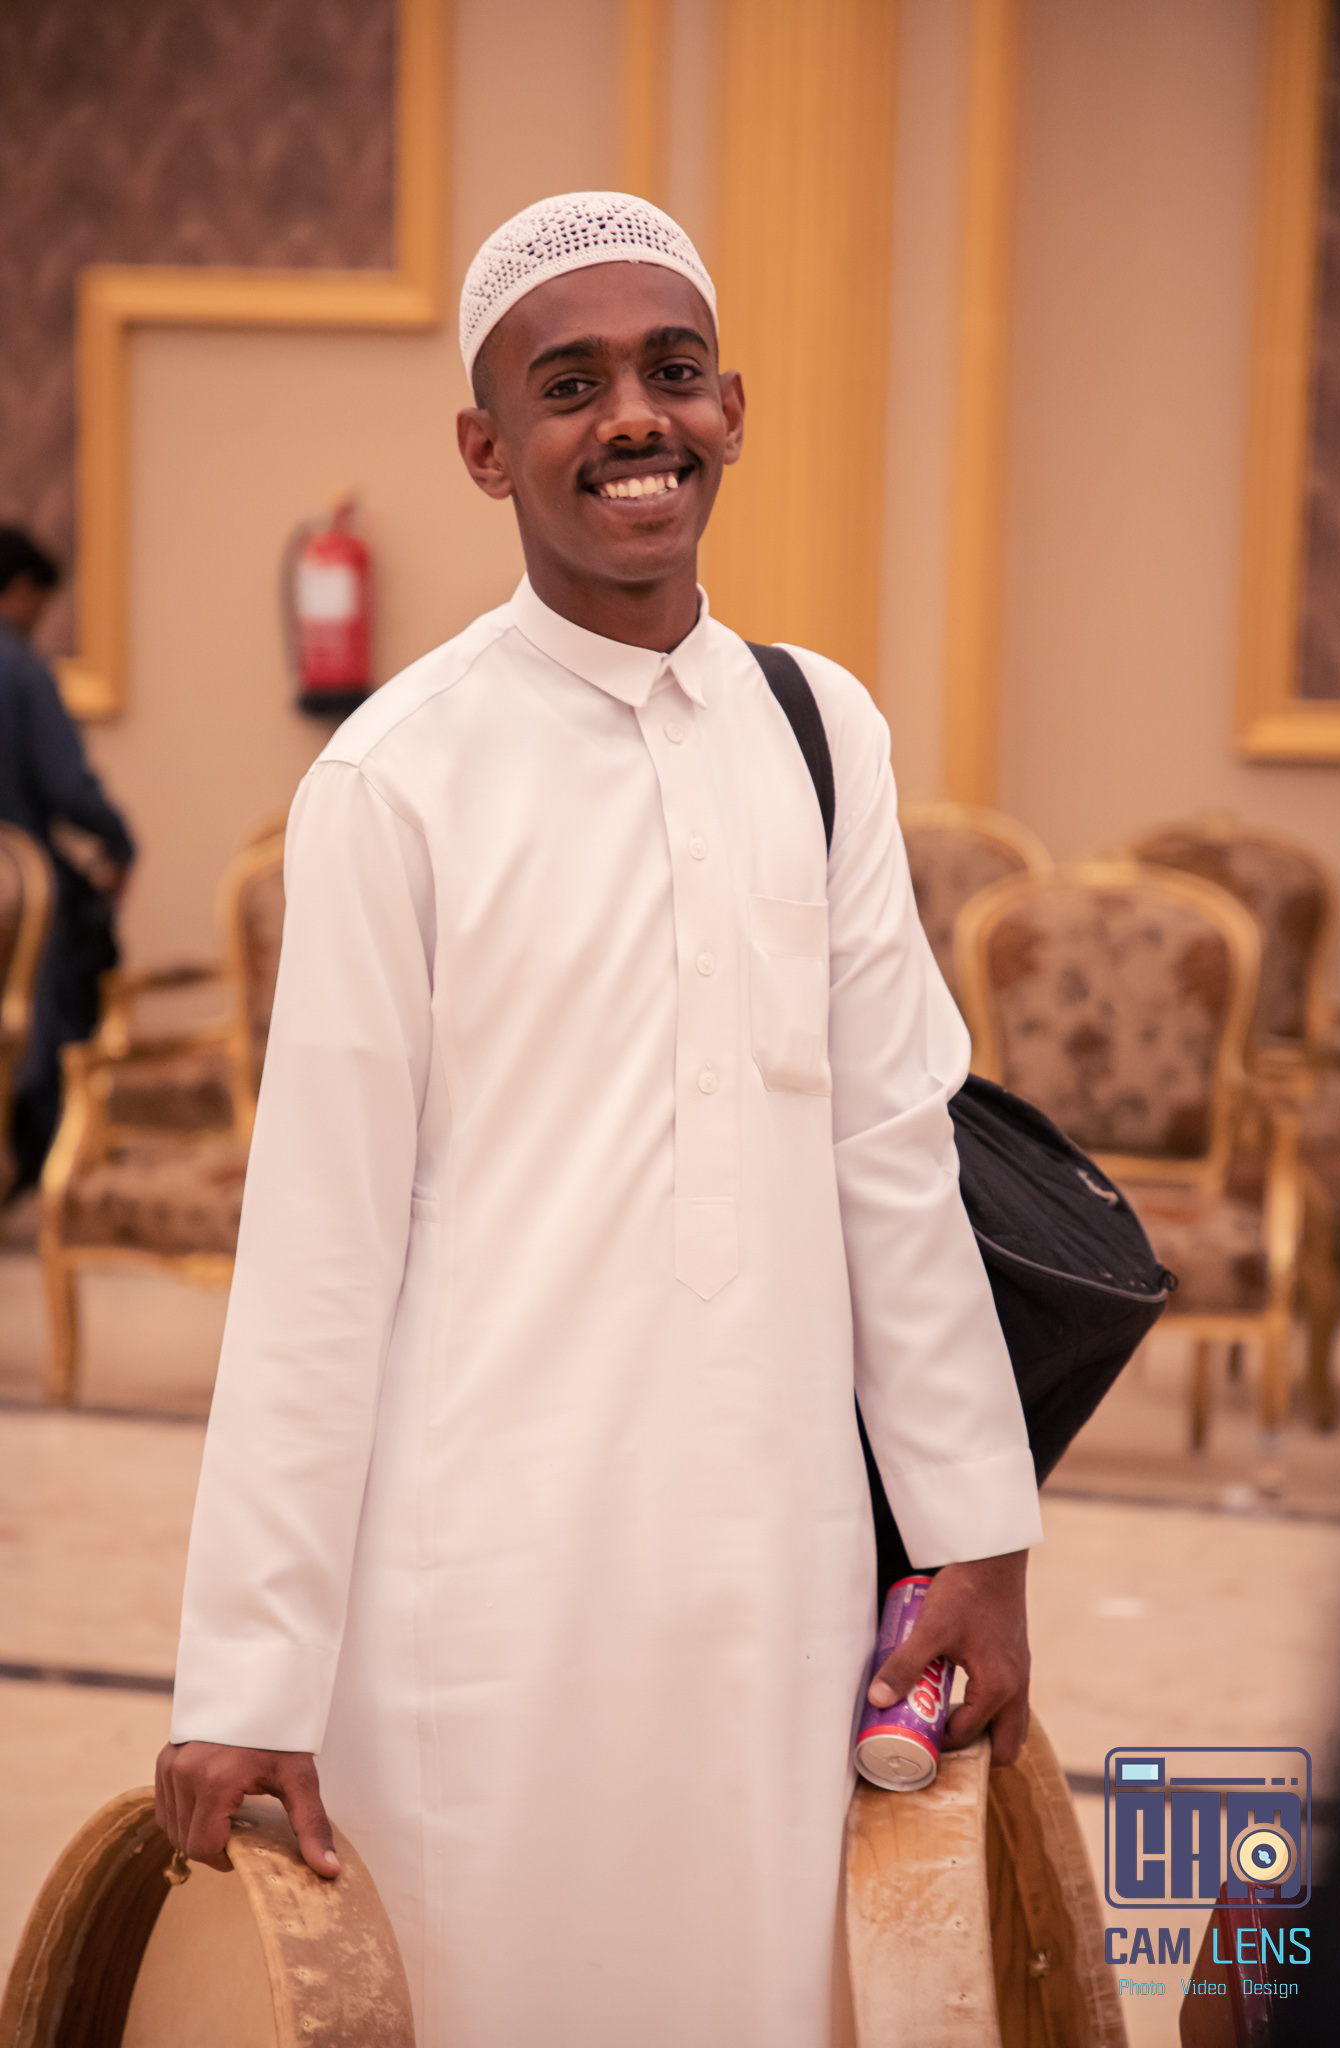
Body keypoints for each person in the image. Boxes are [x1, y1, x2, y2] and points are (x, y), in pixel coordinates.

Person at [157, 194, 1043, 2046]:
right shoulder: (395, 778)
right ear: (486, 450)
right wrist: (248, 1675)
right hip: (487, 1576)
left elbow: (894, 1145)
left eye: (672, 370)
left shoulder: (822, 732)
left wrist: (976, 1536)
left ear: (734, 408)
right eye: (568, 385)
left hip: (780, 1566)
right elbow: (320, 1244)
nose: (634, 417)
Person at [0, 528, 135, 1193]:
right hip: (15, 889)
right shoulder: (22, 673)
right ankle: (52, 1165)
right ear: (21, 591)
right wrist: (120, 844)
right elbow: (66, 787)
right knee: (51, 1005)